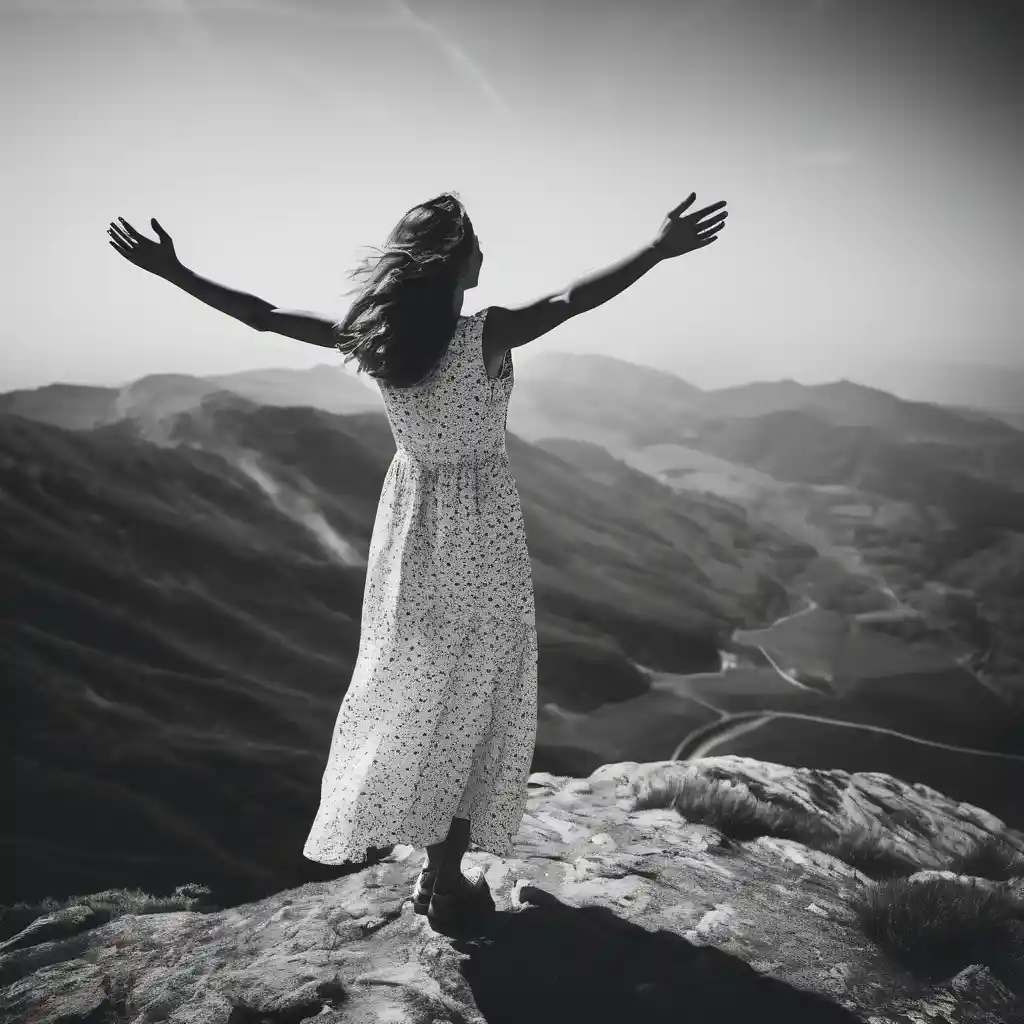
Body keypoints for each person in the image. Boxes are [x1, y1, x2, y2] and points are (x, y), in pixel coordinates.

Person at [106, 190, 728, 923]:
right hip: (481, 528)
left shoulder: (376, 338)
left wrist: (174, 273)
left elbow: (264, 315)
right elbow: (569, 297)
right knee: (478, 692)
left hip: (409, 528)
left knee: (422, 687)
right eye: (477, 244)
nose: (485, 254)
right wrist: (656, 249)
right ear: (456, 262)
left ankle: (436, 868)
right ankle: (445, 878)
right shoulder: (485, 334)